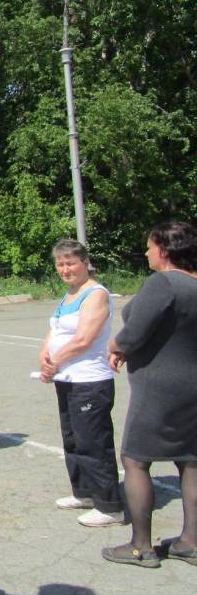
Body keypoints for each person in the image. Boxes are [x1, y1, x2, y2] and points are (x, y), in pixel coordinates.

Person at [103, 221, 197, 568]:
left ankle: (141, 547)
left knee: (136, 460)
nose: (145, 252)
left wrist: (115, 346)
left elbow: (135, 331)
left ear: (164, 249)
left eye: (149, 246)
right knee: (190, 461)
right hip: (193, 385)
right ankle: (191, 542)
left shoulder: (163, 283)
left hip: (160, 388)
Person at [36, 240, 123, 527]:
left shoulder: (95, 294)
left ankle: (109, 505)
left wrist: (55, 360)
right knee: (73, 440)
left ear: (86, 263)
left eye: (71, 263)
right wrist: (45, 358)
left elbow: (84, 339)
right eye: (60, 264)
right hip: (67, 379)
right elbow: (55, 330)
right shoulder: (69, 295)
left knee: (93, 442)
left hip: (89, 381)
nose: (65, 269)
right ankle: (84, 492)